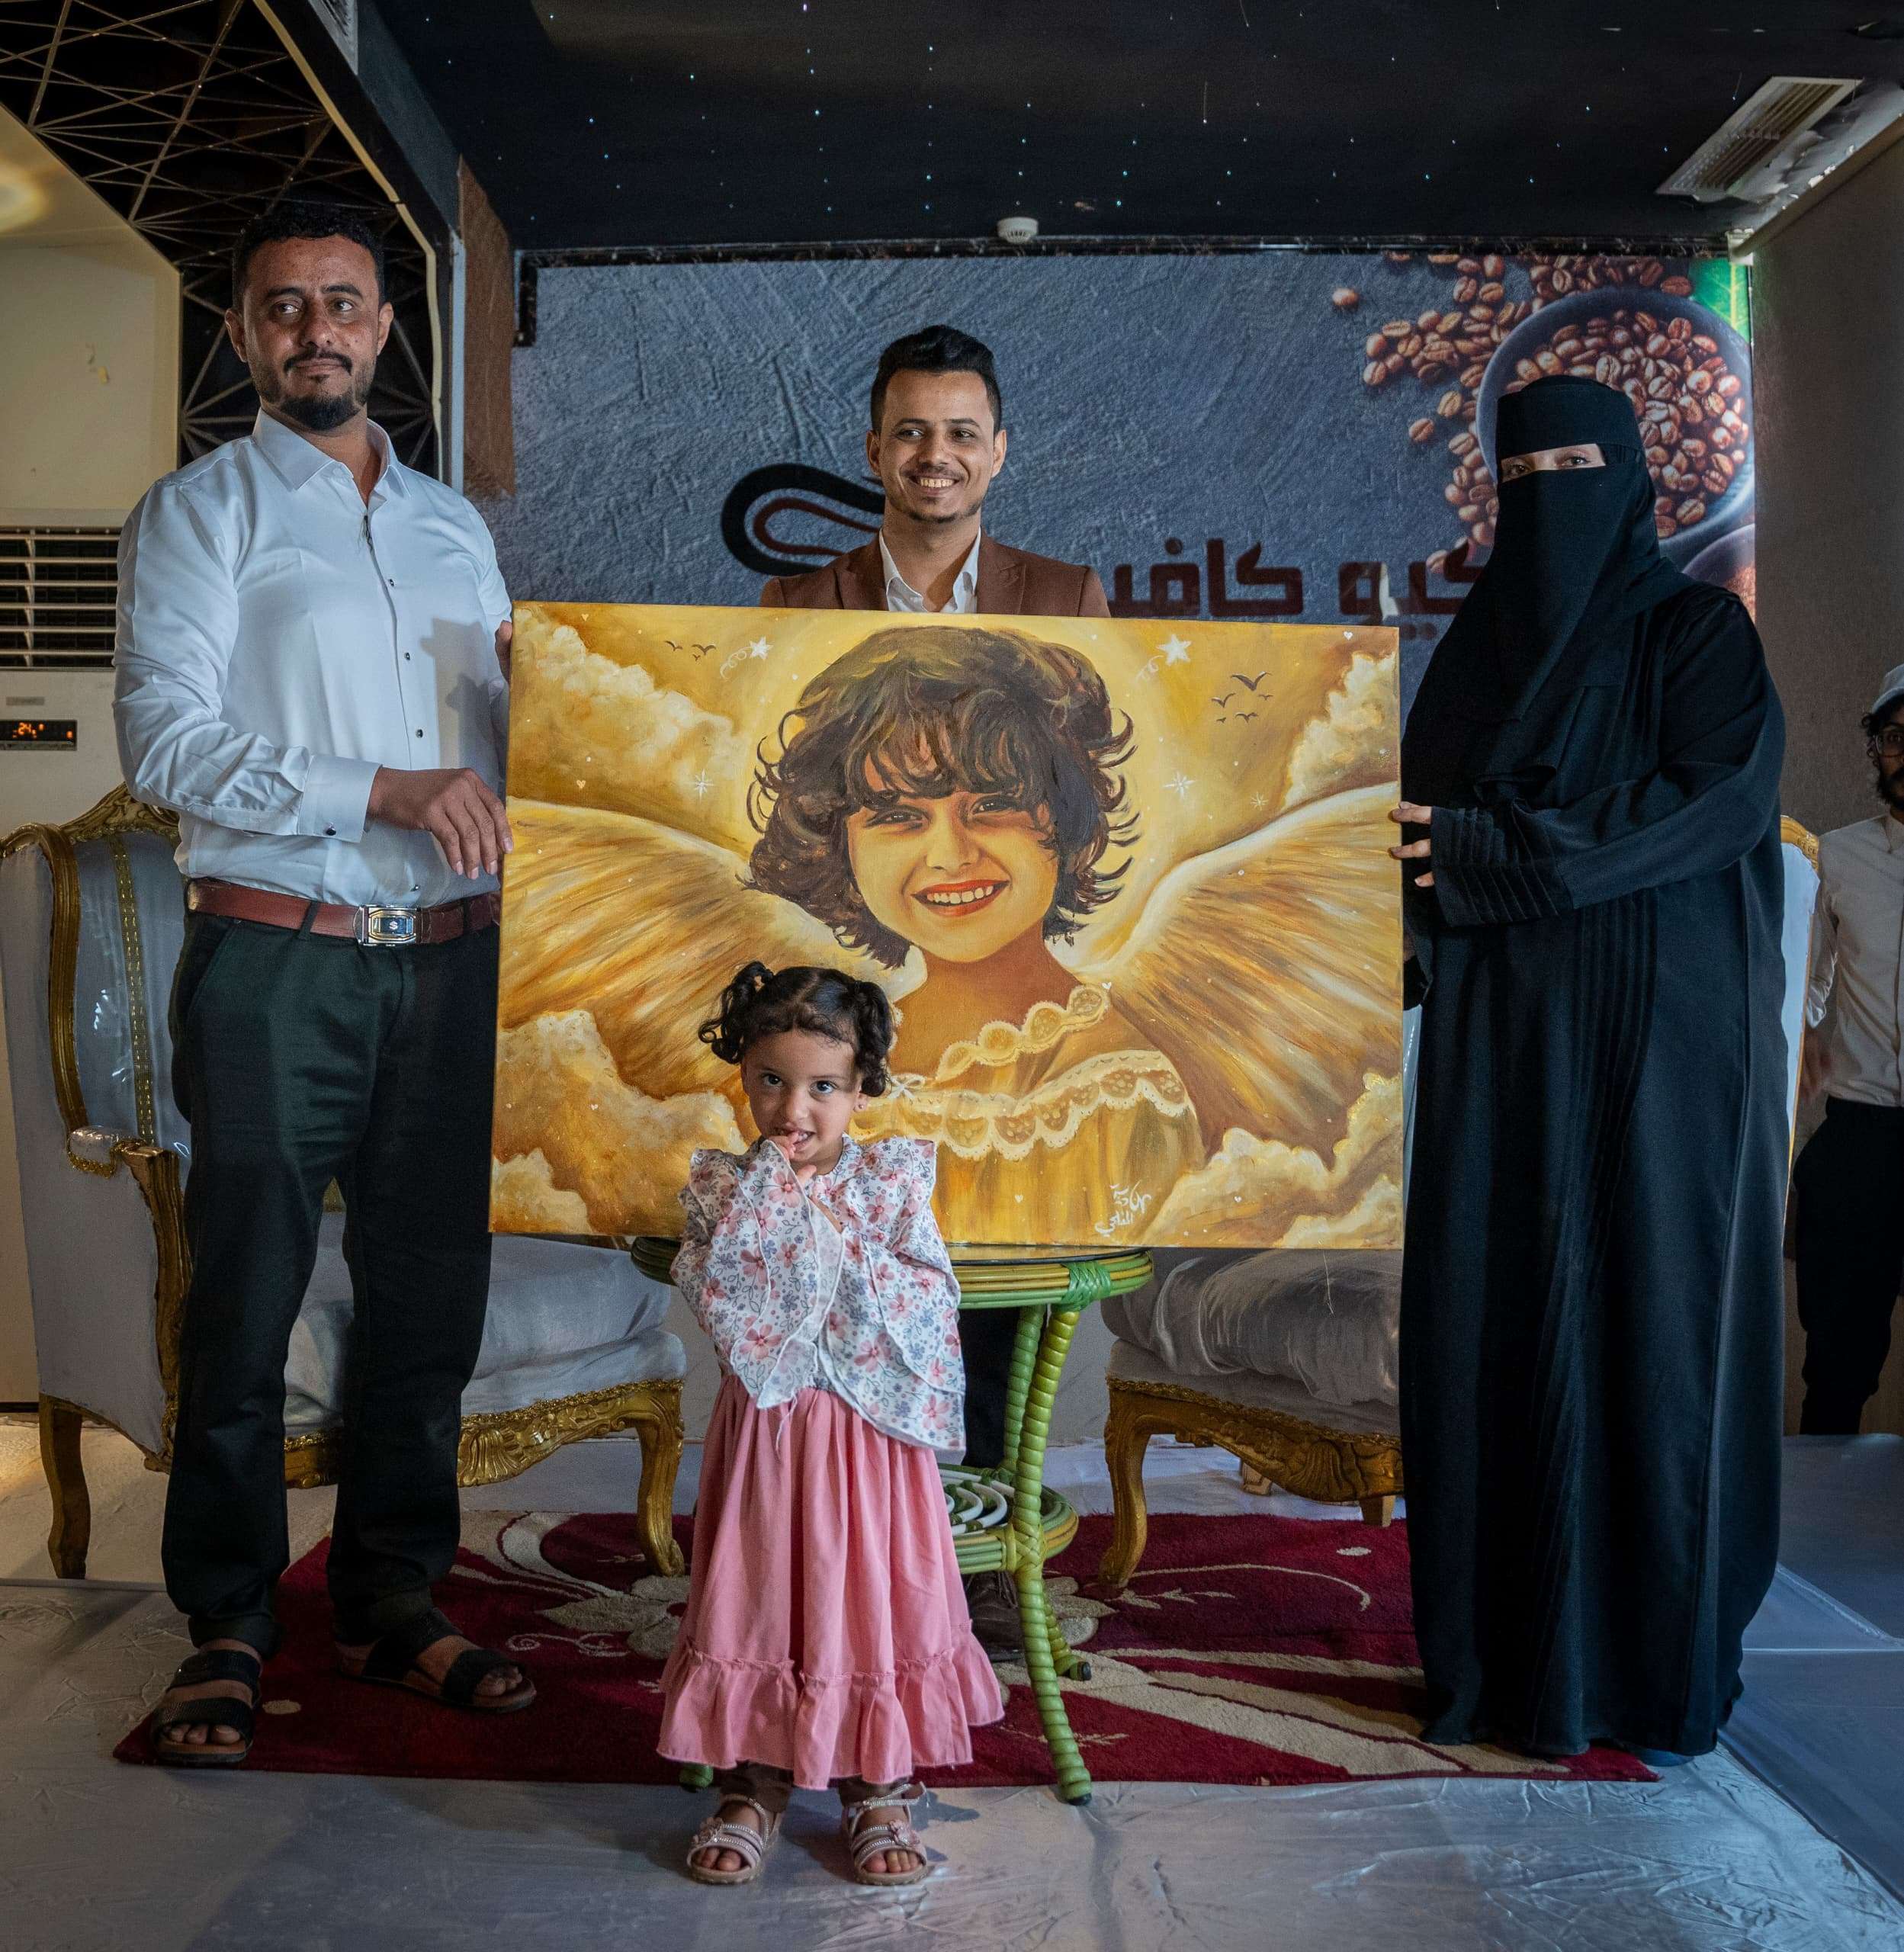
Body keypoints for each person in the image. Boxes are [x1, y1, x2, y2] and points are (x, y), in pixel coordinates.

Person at [114, 200, 529, 1765]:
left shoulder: (451, 528)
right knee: (247, 1292)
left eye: (342, 303)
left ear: (384, 329)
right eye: (283, 306)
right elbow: (164, 743)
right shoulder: (199, 513)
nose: (316, 330)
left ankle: (391, 1598)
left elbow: (508, 739)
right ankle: (227, 1620)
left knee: (430, 1295)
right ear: (242, 334)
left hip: (451, 966)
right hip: (277, 959)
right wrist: (384, 790)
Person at [1393, 374, 1787, 1764]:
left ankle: (1653, 1670)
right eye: (1525, 477)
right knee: (1492, 1323)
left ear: (1632, 484)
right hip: (1502, 1057)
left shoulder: (1697, 636)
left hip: (1664, 1060)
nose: (1548, 500)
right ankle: (1498, 1668)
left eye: (1576, 469)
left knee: (1655, 1332)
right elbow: (1407, 851)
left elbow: (1713, 803)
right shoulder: (1474, 658)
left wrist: (1503, 852)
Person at [759, 324, 1108, 1655]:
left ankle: (983, 1560)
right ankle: (855, 1567)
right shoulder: (794, 607)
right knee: (854, 1277)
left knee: (996, 1260)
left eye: (961, 432)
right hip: (845, 1007)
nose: (936, 455)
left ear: (998, 451)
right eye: (911, 432)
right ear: (873, 450)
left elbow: (1082, 802)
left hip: (1006, 1008)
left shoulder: (1065, 598)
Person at [657, 963, 1003, 1887]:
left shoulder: (889, 1184)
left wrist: (837, 1255)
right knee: (762, 1591)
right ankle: (754, 1781)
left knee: (869, 1596)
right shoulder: (726, 1190)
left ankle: (876, 1783)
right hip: (771, 1435)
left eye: (822, 1087)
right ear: (744, 1075)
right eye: (771, 1080)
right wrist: (775, 1221)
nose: (793, 1108)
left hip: (866, 1437)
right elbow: (717, 1291)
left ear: (861, 1091)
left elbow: (927, 1295)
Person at [745, 621, 1203, 1241]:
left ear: (1066, 824)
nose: (950, 857)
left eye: (991, 806)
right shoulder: (828, 1046)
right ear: (839, 847)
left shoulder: (1114, 1092)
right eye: (899, 816)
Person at [1793, 666, 1904, 1434]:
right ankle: (1819, 1481)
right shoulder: (1835, 856)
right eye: (1895, 738)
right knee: (1837, 1358)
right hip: (1863, 1130)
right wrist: (1801, 1033)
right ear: (1875, 748)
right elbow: (1808, 979)